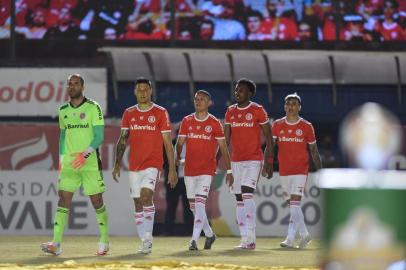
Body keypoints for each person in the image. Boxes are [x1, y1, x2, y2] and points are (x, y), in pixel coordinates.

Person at [41, 74, 109, 256]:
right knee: (63, 199)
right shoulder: (63, 110)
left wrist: (85, 154)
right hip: (70, 164)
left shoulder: (94, 107)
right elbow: (63, 137)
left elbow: (100, 137)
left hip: (89, 163)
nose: (71, 87)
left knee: (97, 201)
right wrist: (62, 160)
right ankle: (56, 243)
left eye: (75, 84)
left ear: (83, 87)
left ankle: (104, 240)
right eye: (69, 84)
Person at [112, 77, 177, 254]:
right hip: (134, 165)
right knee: (137, 203)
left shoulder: (160, 112)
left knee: (146, 196)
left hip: (153, 164)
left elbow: (167, 143)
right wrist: (117, 164)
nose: (142, 92)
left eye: (145, 89)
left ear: (150, 91)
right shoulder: (128, 113)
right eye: (139, 89)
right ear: (134, 92)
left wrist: (172, 168)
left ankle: (148, 238)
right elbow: (123, 140)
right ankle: (144, 241)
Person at [176, 90, 234, 250]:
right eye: (196, 99)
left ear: (209, 102)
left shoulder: (214, 123)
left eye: (202, 99)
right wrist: (176, 156)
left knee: (200, 205)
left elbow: (223, 148)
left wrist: (229, 171)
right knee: (194, 207)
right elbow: (180, 143)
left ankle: (193, 240)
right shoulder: (187, 121)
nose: (198, 101)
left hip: (206, 171)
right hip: (189, 170)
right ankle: (209, 234)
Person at [223, 78, 273, 249]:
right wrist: (216, 160)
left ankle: (251, 236)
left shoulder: (258, 110)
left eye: (241, 90)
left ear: (250, 93)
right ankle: (244, 239)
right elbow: (225, 140)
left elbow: (269, 137)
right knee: (238, 198)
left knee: (246, 194)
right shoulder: (230, 111)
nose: (237, 93)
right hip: (236, 161)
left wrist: (269, 161)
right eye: (236, 90)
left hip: (253, 159)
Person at [271, 92, 322, 249]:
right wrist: (267, 164)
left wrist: (321, 171)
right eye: (288, 103)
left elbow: (314, 150)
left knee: (294, 203)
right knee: (293, 206)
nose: (291, 106)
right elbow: (271, 148)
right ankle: (292, 238)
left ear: (299, 107)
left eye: (294, 103)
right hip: (284, 170)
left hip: (300, 170)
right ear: (284, 106)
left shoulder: (306, 126)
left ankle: (301, 235)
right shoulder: (277, 125)